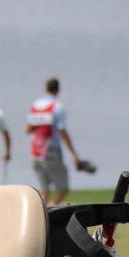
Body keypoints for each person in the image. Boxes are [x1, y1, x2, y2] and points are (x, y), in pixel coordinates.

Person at [26, 77, 84, 205]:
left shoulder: (34, 106)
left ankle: (40, 219)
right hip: (51, 153)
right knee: (63, 190)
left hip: (35, 153)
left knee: (44, 191)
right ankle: (48, 216)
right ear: (58, 90)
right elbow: (62, 131)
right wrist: (74, 155)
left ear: (45, 88)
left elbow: (28, 130)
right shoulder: (57, 107)